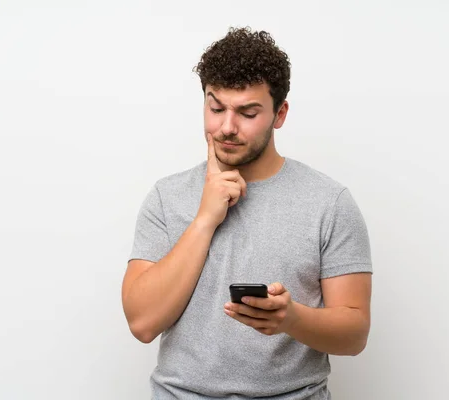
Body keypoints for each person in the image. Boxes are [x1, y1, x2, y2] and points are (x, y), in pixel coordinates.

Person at [122, 26, 373, 400]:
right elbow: (142, 323)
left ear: (280, 113)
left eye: (247, 112)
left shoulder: (329, 201)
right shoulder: (167, 196)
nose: (226, 127)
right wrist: (205, 219)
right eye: (215, 107)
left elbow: (355, 334)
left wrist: (291, 319)